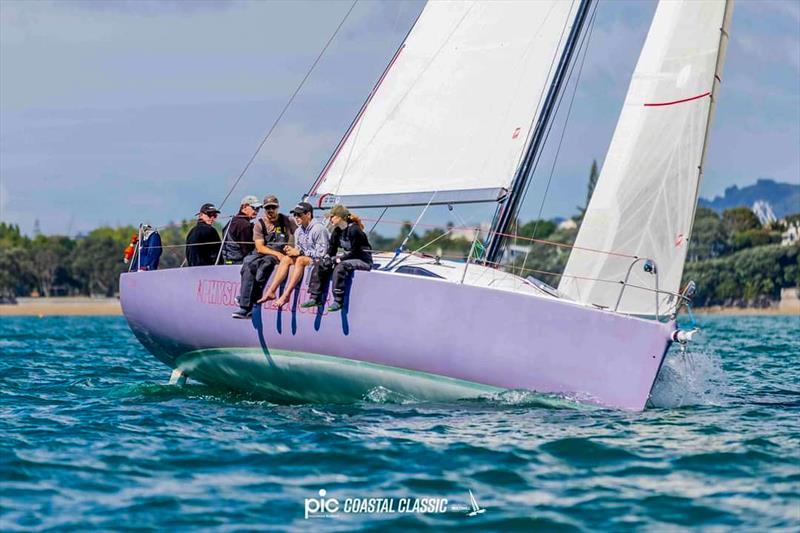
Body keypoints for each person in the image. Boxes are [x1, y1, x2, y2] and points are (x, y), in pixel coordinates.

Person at [231, 195, 297, 319]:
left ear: (277, 208)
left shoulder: (288, 220)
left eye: (273, 207)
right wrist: (277, 254)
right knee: (249, 263)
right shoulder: (259, 224)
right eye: (267, 208)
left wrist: (294, 250)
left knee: (265, 266)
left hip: (278, 254)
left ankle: (250, 301)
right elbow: (260, 247)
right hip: (264, 252)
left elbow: (300, 234)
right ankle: (245, 307)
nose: (270, 211)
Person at [301, 204, 372, 312]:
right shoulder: (337, 231)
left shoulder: (354, 230)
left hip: (363, 259)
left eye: (332, 216)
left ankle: (338, 301)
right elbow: (332, 249)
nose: (330, 219)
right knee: (321, 263)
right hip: (349, 258)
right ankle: (315, 297)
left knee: (340, 266)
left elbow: (356, 251)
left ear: (340, 217)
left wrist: (340, 259)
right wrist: (328, 257)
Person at [273, 201, 330, 308]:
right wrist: (291, 251)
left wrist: (300, 253)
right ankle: (271, 291)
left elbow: (322, 253)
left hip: (320, 262)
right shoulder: (298, 231)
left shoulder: (319, 229)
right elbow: (298, 250)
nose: (296, 217)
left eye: (299, 215)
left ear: (308, 215)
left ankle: (286, 294)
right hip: (307, 259)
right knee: (286, 259)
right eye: (294, 215)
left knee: (300, 260)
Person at [221, 195, 261, 264]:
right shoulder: (244, 225)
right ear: (244, 207)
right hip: (239, 263)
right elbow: (248, 250)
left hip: (227, 262)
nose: (256, 211)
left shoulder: (232, 220)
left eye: (258, 209)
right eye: (254, 208)